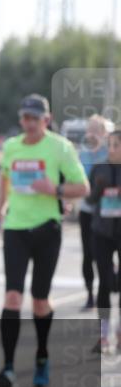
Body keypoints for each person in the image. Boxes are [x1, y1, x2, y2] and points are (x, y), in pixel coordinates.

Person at [0, 94, 88, 387]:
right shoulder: (11, 146)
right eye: (25, 117)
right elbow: (5, 178)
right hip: (16, 229)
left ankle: (42, 356)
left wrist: (54, 189)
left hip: (47, 229)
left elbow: (82, 187)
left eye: (35, 118)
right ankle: (8, 367)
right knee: (12, 297)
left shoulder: (60, 147)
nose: (29, 123)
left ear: (46, 119)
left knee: (40, 300)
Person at [87, 129, 121, 353]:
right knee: (104, 282)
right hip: (102, 232)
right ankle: (103, 335)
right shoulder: (99, 168)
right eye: (109, 145)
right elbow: (90, 199)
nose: (112, 149)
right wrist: (99, 190)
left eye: (116, 145)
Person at [79, 115, 112, 309]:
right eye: (89, 130)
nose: (92, 134)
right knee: (88, 254)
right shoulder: (82, 154)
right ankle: (90, 294)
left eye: (96, 130)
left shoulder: (112, 153)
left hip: (109, 213)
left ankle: (108, 287)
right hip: (88, 210)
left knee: (105, 256)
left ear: (105, 133)